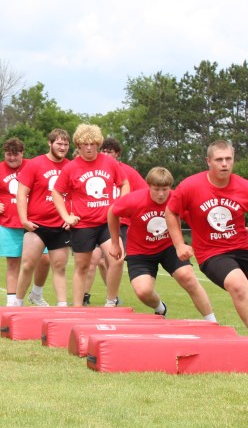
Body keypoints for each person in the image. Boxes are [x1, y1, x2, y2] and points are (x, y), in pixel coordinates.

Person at [165, 140, 248, 336]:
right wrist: (179, 245)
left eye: (228, 159)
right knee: (239, 285)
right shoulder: (190, 186)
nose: (224, 163)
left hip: (244, 246)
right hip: (212, 252)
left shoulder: (246, 187)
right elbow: (171, 212)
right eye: (219, 159)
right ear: (208, 161)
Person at [107, 167, 216, 321]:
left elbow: (196, 219)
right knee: (143, 291)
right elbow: (112, 212)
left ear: (170, 188)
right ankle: (160, 307)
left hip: (169, 247)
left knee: (188, 277)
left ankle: (212, 322)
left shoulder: (178, 199)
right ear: (149, 186)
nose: (160, 194)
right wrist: (115, 243)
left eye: (164, 189)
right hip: (140, 252)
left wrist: (196, 242)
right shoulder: (134, 199)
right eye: (156, 189)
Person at [51, 124, 132, 307]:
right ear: (78, 146)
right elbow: (56, 192)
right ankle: (78, 308)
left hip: (107, 222)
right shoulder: (71, 168)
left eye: (92, 144)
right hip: (83, 224)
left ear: (98, 144)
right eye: (84, 144)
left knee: (117, 260)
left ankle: (111, 301)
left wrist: (120, 204)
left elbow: (124, 184)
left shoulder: (110, 162)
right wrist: (65, 216)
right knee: (82, 266)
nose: (88, 148)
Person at [0, 138, 49, 306]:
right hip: (9, 224)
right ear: (4, 154)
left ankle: (36, 294)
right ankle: (12, 302)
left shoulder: (33, 166)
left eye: (16, 154)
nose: (12, 158)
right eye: (8, 154)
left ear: (22, 153)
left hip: (34, 223)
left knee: (45, 259)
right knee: (13, 263)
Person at [81, 137, 148, 305]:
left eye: (109, 151)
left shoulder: (128, 171)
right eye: (102, 150)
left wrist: (132, 210)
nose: (105, 154)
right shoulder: (94, 169)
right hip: (96, 221)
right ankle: (84, 297)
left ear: (117, 154)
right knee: (93, 260)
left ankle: (112, 298)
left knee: (112, 260)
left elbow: (145, 193)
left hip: (121, 223)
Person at [12, 128, 72, 307]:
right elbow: (22, 194)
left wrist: (70, 218)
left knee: (59, 268)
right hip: (37, 225)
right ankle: (18, 303)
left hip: (61, 227)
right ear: (50, 143)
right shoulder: (35, 164)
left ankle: (62, 307)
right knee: (28, 264)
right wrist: (24, 220)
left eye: (66, 144)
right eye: (59, 143)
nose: (62, 147)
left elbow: (76, 196)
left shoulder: (70, 166)